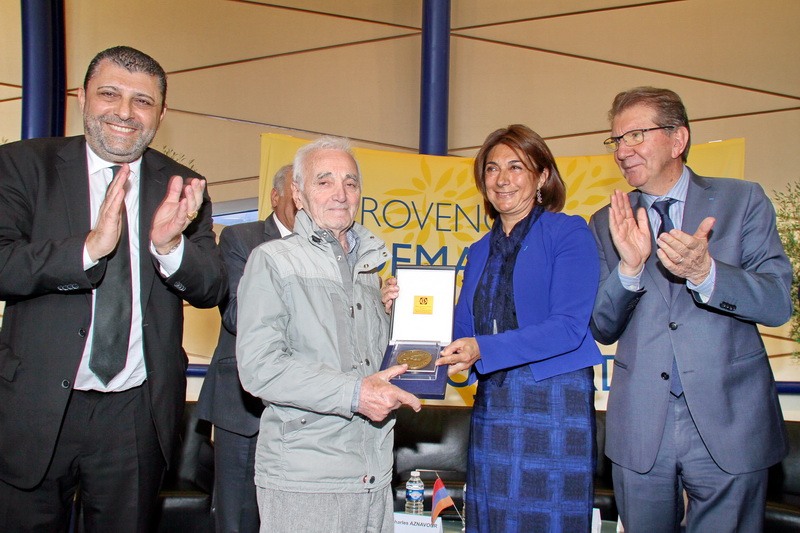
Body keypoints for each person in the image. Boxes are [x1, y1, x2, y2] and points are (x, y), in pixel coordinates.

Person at [0, 46, 227, 532]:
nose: (125, 112)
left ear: (162, 113)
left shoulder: (183, 186)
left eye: (142, 101)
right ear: (83, 96)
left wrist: (169, 249)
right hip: (36, 409)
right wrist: (87, 249)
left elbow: (212, 286)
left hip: (136, 414)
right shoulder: (22, 166)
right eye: (110, 94)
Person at [589, 87, 792, 533]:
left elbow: (778, 303)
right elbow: (602, 327)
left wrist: (707, 273)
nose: (623, 151)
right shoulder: (608, 222)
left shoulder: (742, 201)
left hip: (730, 419)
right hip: (642, 425)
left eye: (636, 135)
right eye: (616, 140)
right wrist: (629, 269)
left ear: (678, 139)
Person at [236, 136, 421, 533]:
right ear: (298, 195)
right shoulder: (271, 261)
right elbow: (259, 369)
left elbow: (368, 365)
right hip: (306, 478)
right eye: (324, 181)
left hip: (373, 476)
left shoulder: (370, 271)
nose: (340, 193)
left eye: (351, 182)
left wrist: (396, 324)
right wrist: (355, 395)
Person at [434, 124, 602, 531]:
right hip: (495, 401)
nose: (502, 179)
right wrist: (401, 308)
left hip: (555, 400)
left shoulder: (569, 232)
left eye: (516, 166)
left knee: (549, 518)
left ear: (542, 176)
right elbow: (461, 334)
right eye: (492, 169)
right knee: (492, 516)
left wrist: (482, 351)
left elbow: (567, 328)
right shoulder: (477, 251)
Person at [197, 163, 297, 533]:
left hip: (309, 413)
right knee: (238, 519)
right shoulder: (242, 238)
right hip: (245, 409)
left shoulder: (331, 248)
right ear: (276, 196)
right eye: (295, 189)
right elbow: (239, 315)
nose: (304, 199)